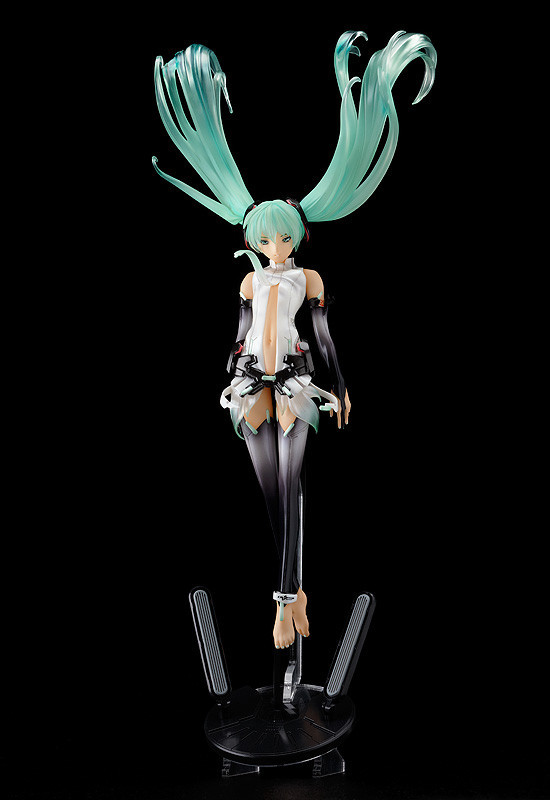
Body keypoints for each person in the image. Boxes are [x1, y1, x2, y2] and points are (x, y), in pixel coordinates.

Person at [152, 28, 436, 649]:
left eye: (283, 237)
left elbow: (324, 339)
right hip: (250, 383)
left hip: (296, 385)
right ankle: (296, 595)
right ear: (254, 239)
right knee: (273, 498)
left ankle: (283, 607)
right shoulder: (250, 283)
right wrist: (232, 376)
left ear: (298, 237)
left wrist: (341, 386)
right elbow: (240, 336)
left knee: (291, 490)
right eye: (266, 238)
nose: (275, 246)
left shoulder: (308, 279)